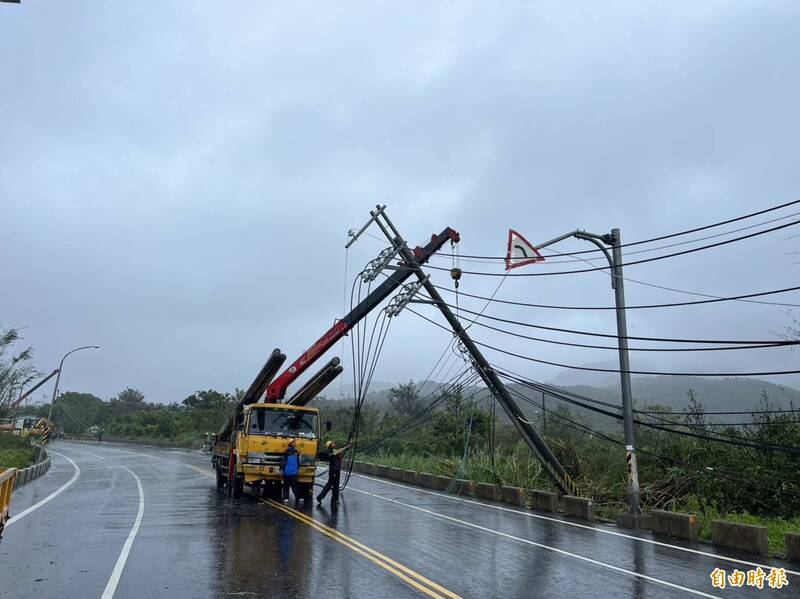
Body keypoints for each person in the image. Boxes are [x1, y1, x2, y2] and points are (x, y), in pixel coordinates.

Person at [316, 439, 353, 506]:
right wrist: (348, 445)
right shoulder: (332, 451)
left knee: (335, 486)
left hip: (336, 470)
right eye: (332, 443)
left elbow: (341, 453)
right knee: (330, 485)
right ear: (330, 446)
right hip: (334, 471)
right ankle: (320, 497)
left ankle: (334, 500)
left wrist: (348, 447)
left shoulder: (335, 451)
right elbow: (341, 449)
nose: (334, 443)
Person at [281, 439, 301, 503]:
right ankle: (286, 498)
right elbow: (283, 462)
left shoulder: (296, 452)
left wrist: (298, 468)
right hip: (287, 472)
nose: (294, 443)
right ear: (290, 443)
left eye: (294, 442)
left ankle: (298, 497)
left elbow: (297, 461)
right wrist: (282, 469)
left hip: (294, 472)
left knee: (295, 486)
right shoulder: (286, 452)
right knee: (286, 486)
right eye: (293, 442)